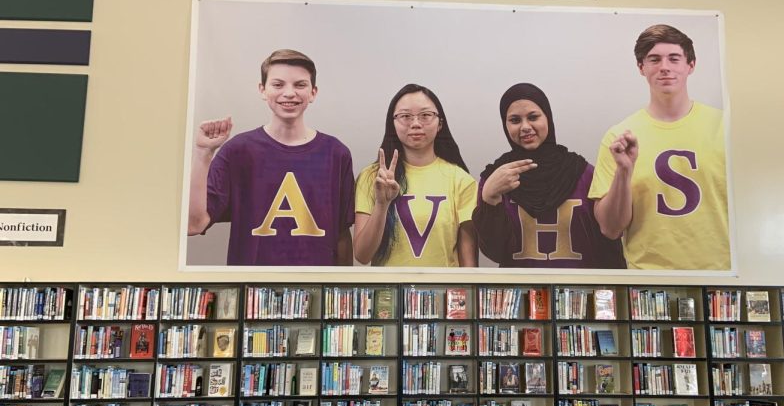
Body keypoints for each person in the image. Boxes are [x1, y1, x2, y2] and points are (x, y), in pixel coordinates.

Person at [187, 49, 355, 266]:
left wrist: (344, 289)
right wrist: (203, 153)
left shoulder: (336, 153)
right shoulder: (237, 151)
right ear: (262, 90)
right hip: (253, 292)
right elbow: (194, 225)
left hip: (317, 289)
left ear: (313, 92)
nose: (289, 93)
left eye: (300, 85)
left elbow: (342, 233)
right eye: (278, 84)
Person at [589, 24, 729, 270]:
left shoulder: (725, 127)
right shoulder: (619, 137)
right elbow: (610, 229)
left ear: (691, 65)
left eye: (674, 58)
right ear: (641, 68)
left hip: (722, 276)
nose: (664, 67)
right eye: (654, 59)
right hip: (648, 282)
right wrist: (624, 171)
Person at [472, 83, 625, 268]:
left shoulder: (582, 173)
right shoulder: (497, 178)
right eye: (515, 120)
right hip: (520, 294)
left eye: (533, 117)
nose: (525, 127)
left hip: (578, 294)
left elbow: (609, 243)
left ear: (548, 118)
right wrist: (489, 198)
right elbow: (495, 253)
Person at [354, 84, 477, 267]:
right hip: (388, 293)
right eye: (405, 116)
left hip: (444, 293)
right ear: (393, 124)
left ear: (440, 123)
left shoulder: (461, 180)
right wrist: (381, 204)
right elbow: (362, 255)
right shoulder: (373, 177)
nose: (416, 124)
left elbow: (468, 263)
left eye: (426, 116)